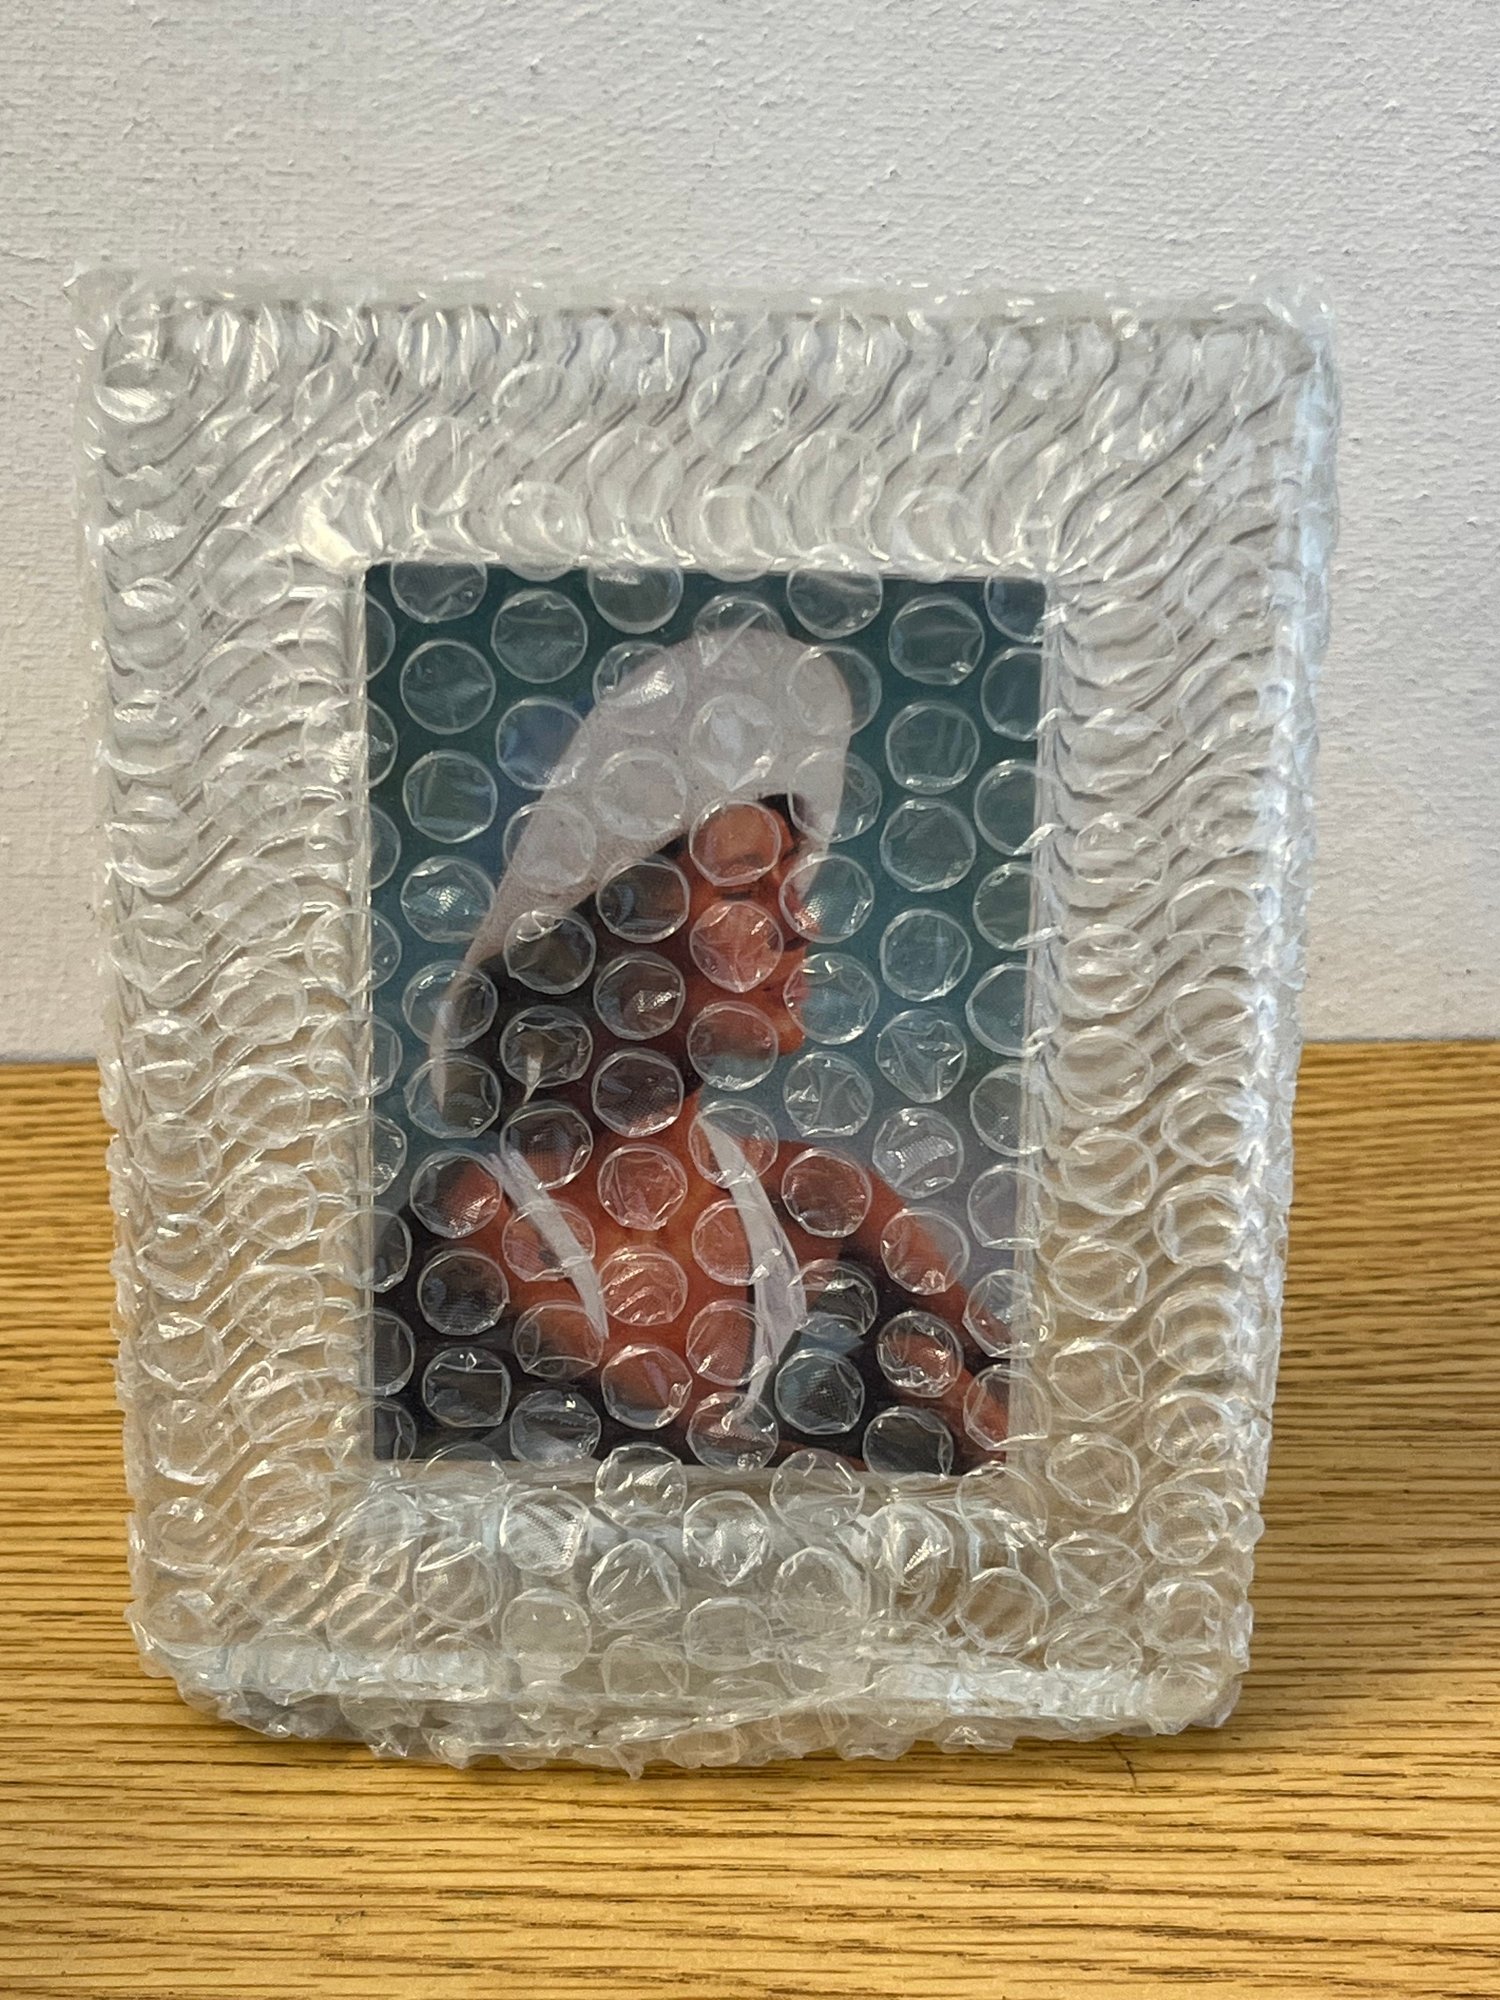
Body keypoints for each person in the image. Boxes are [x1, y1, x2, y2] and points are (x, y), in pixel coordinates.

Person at [384, 620, 1010, 1472]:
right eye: (748, 886)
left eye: (799, 882)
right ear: (608, 927)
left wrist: (969, 1414)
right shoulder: (484, 1222)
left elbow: (1022, 1411)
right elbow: (695, 1464)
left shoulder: (815, 1195)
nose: (801, 922)